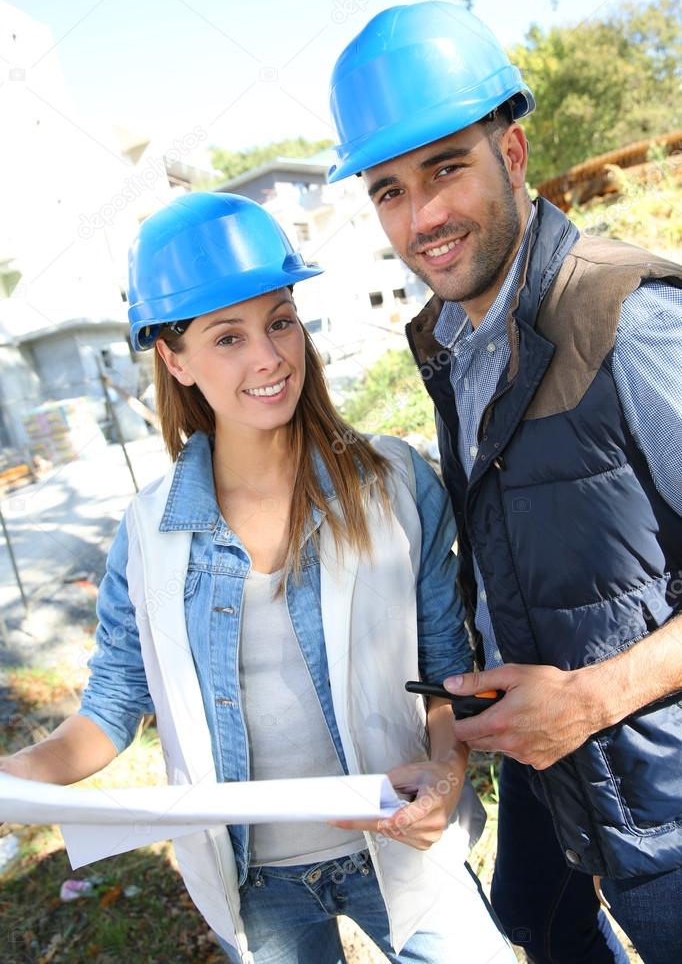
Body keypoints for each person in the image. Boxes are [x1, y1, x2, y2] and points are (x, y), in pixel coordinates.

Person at [0, 192, 514, 964]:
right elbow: (107, 714)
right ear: (174, 358)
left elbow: (444, 669)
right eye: (227, 337)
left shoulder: (394, 481)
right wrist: (15, 777)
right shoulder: (147, 538)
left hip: (401, 840)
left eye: (279, 320)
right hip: (256, 881)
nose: (268, 357)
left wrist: (446, 771)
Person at [326, 1, 682, 964]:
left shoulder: (631, 322)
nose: (423, 218)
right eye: (389, 190)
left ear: (514, 154)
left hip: (664, 806)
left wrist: (595, 697)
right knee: (534, 920)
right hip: (556, 780)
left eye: (447, 169)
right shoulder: (453, 344)